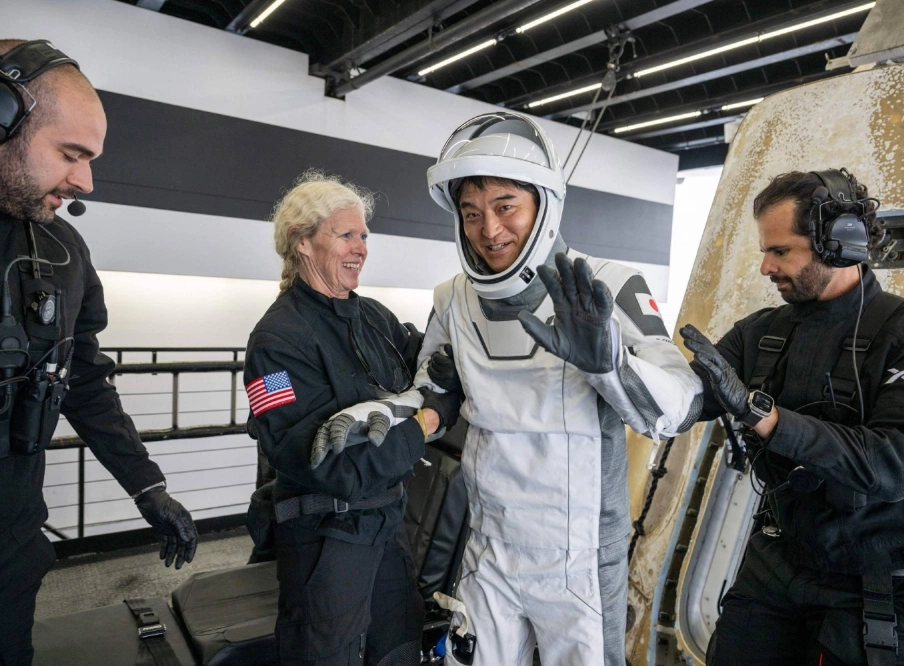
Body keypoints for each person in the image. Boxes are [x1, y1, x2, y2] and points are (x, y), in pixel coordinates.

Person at [329, 111, 704, 666]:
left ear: (544, 206)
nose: (490, 231)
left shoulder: (608, 285)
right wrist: (388, 411)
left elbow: (682, 405)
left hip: (578, 562)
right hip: (489, 551)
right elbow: (435, 387)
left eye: (506, 207)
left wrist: (610, 366)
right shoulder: (453, 299)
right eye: (472, 213)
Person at [680, 169, 904, 666]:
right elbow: (682, 399)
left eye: (780, 252)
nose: (765, 268)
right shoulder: (761, 333)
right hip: (777, 563)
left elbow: (893, 464)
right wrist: (612, 363)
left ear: (841, 245)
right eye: (764, 252)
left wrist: (762, 414)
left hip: (877, 586)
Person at [0, 39, 198, 666]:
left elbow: (83, 381)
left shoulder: (64, 254)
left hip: (10, 556)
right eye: (70, 154)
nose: (85, 180)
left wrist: (148, 488)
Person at [244, 171, 460, 666]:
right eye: (347, 235)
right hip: (326, 540)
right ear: (302, 243)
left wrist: (439, 394)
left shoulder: (375, 319)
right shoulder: (276, 341)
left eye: (364, 235)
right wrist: (426, 423)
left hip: (386, 527)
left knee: (399, 649)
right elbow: (334, 467)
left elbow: (440, 387)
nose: (361, 246)